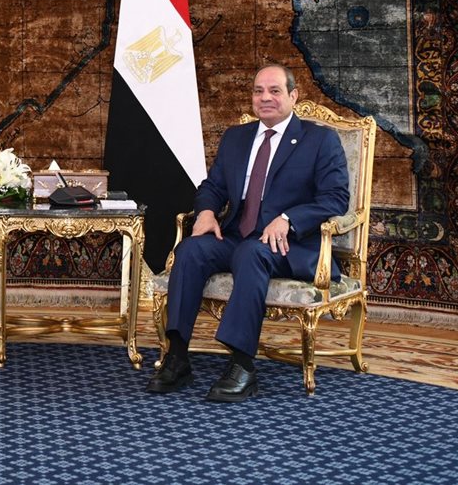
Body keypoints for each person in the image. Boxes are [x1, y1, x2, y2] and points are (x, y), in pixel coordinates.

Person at [146, 64, 349, 401]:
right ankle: (177, 356)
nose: (265, 97)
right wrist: (207, 211)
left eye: (275, 91)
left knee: (252, 253)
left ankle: (242, 366)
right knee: (191, 250)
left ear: (294, 96)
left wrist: (289, 218)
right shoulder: (236, 137)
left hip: (288, 245)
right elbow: (213, 186)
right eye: (258, 91)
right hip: (237, 236)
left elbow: (336, 197)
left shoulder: (319, 140)